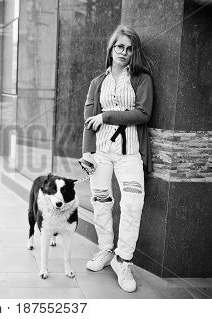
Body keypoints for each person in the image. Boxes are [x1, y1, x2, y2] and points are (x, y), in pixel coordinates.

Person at [81, 25, 153, 293]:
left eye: (129, 48)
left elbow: (142, 114)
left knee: (133, 203)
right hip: (100, 152)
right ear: (111, 49)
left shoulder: (141, 79)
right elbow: (89, 121)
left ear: (134, 52)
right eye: (119, 46)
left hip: (129, 154)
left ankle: (123, 261)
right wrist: (87, 152)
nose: (124, 52)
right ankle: (105, 251)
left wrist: (107, 116)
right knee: (101, 202)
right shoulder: (97, 82)